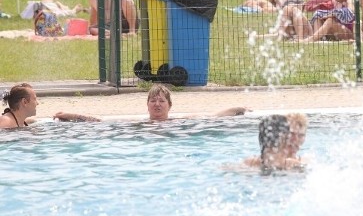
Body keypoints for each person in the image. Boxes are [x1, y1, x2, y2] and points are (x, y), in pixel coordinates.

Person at [54, 83, 249, 122]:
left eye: (161, 101)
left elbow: (212, 116)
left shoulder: (180, 121)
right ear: (147, 105)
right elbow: (98, 121)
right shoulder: (138, 124)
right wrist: (70, 115)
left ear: (169, 106)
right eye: (153, 101)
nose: (157, 104)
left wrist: (239, 108)